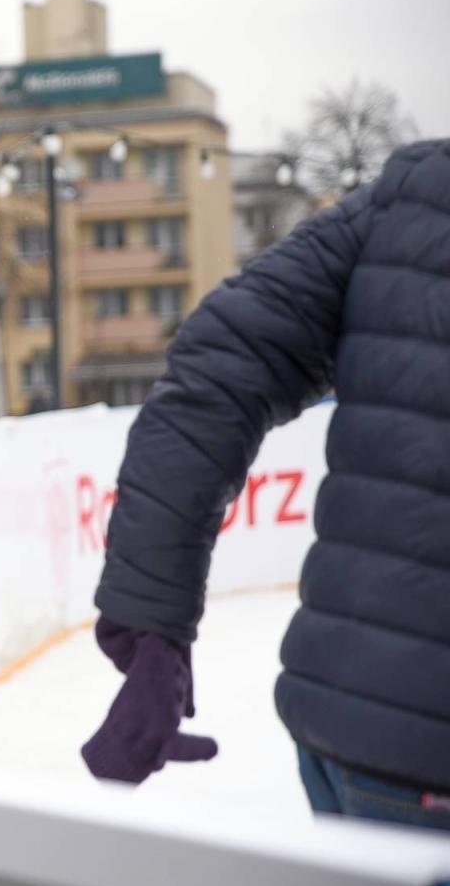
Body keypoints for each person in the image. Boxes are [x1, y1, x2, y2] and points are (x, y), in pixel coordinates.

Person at [81, 139, 450, 833]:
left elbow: (216, 370)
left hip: (345, 727)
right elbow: (220, 372)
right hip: (424, 757)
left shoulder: (413, 196)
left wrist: (152, 635)